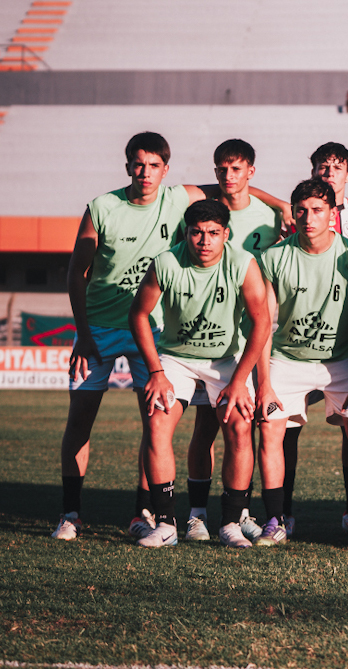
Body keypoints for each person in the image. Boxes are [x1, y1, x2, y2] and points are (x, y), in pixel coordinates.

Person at [53, 132, 202, 541]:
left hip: (151, 334)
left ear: (166, 170)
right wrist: (83, 335)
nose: (145, 172)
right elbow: (76, 273)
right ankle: (70, 514)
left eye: (154, 165)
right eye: (138, 164)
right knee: (80, 422)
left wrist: (279, 206)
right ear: (127, 167)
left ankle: (142, 512)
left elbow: (234, 189)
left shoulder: (178, 198)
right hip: (97, 331)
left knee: (153, 426)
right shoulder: (102, 207)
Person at [127, 199, 271, 548]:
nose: (204, 241)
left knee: (239, 424)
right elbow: (138, 314)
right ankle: (165, 524)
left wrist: (240, 381)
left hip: (225, 360)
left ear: (226, 234)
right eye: (196, 233)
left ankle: (231, 523)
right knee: (158, 421)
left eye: (212, 233)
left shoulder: (242, 262)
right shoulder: (166, 262)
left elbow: (262, 322)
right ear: (186, 234)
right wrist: (156, 371)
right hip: (176, 358)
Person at [255, 179, 348, 546]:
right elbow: (263, 325)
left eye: (318, 210)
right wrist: (264, 383)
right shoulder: (274, 257)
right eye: (301, 210)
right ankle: (276, 519)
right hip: (288, 358)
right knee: (270, 429)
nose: (308, 218)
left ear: (333, 214)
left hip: (343, 358)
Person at [179, 138, 283, 542]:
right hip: (208, 336)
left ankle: (237, 513)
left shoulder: (270, 219)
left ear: (250, 172)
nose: (228, 176)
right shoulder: (205, 212)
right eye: (222, 168)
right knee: (206, 426)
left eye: (236, 169)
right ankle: (198, 513)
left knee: (245, 427)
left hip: (250, 338)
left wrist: (280, 205)